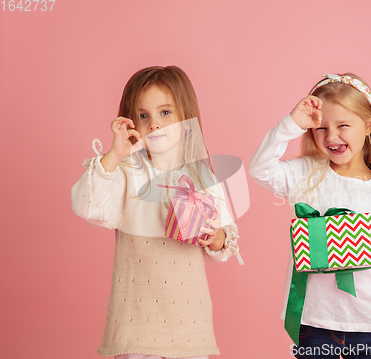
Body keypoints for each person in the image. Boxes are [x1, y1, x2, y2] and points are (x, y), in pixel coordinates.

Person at [71, 66, 242, 359]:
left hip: (187, 322)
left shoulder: (201, 177)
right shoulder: (126, 171)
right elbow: (88, 207)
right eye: (143, 115)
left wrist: (215, 237)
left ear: (187, 119)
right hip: (135, 318)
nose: (154, 124)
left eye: (165, 113)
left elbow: (224, 239)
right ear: (130, 121)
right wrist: (114, 155)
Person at [249, 73, 371, 358]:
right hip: (314, 320)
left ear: (369, 125)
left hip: (368, 323)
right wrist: (290, 125)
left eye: (343, 125)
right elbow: (260, 169)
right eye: (321, 127)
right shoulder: (305, 173)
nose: (331, 136)